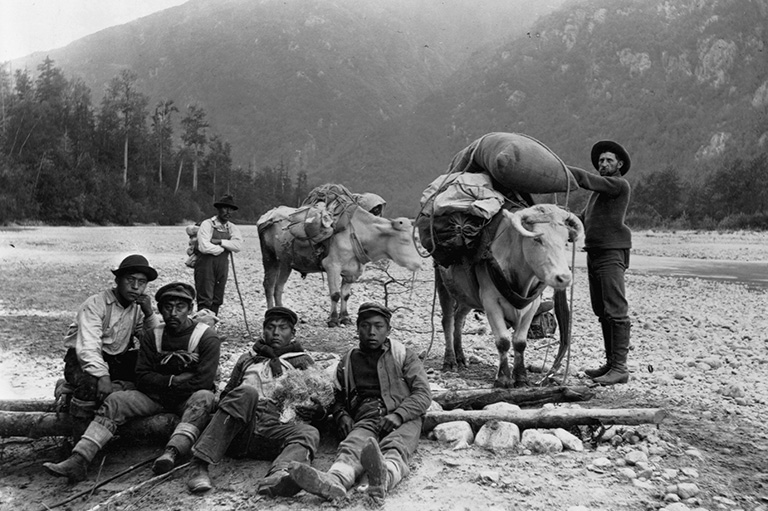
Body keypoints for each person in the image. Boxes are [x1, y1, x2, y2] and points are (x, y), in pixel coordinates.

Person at [44, 282, 221, 482]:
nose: (173, 313)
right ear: (160, 310)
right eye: (167, 307)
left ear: (190, 309)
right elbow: (142, 377)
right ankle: (79, 459)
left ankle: (172, 452)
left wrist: (161, 381)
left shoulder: (206, 337)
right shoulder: (153, 336)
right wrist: (173, 379)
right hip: (154, 398)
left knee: (204, 397)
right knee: (117, 400)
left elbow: (204, 381)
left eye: (180, 308)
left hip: (186, 400)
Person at [287, 302, 432, 502]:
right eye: (365, 325)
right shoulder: (347, 361)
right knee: (353, 444)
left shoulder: (403, 355)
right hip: (365, 416)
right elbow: (336, 397)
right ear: (357, 328)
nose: (372, 332)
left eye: (379, 326)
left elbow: (423, 393)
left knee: (397, 445)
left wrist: (399, 415)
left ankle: (383, 479)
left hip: (404, 415)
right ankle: (334, 482)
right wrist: (341, 415)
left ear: (388, 330)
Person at [187, 306, 323, 497]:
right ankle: (199, 465)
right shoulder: (248, 359)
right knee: (247, 392)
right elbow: (227, 395)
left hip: (274, 430)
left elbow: (321, 397)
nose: (275, 332)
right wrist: (242, 402)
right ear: (263, 329)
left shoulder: (302, 362)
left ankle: (280, 474)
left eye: (283, 328)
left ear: (292, 333)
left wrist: (317, 411)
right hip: (240, 429)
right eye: (270, 327)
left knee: (309, 432)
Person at [58, 254, 160, 440]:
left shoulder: (136, 308)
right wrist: (102, 376)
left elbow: (153, 344)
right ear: (117, 280)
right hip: (81, 361)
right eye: (130, 280)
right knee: (91, 384)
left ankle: (126, 415)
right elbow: (88, 347)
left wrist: (149, 313)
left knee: (152, 368)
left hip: (115, 359)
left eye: (142, 282)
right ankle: (77, 440)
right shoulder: (96, 304)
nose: (136, 287)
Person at [568, 140, 633, 385]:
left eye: (608, 160)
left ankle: (620, 368)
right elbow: (584, 218)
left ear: (619, 164)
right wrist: (561, 216)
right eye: (601, 161)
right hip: (594, 253)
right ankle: (610, 364)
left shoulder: (618, 185)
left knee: (616, 309)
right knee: (602, 310)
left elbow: (586, 179)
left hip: (611, 253)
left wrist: (560, 171)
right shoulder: (599, 193)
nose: (603, 164)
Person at [194, 194, 243, 315]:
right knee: (205, 296)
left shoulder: (231, 227)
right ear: (218, 209)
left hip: (222, 266)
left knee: (218, 297)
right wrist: (222, 248)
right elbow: (204, 247)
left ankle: (212, 324)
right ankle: (203, 326)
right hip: (205, 265)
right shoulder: (207, 224)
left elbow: (238, 246)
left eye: (231, 209)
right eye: (225, 208)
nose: (228, 212)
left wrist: (220, 241)